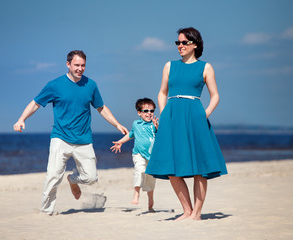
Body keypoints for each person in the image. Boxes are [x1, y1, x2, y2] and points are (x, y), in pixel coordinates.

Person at [13, 50, 128, 215]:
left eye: (83, 65)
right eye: (76, 65)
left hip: (84, 140)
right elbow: (35, 103)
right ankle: (46, 211)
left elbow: (101, 108)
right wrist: (21, 119)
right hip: (60, 138)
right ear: (68, 64)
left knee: (91, 177)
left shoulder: (91, 85)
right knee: (53, 176)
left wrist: (117, 124)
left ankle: (72, 179)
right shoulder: (54, 85)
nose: (80, 68)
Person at [145, 27, 228, 221]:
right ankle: (187, 210)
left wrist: (203, 114)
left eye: (184, 42)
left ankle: (196, 214)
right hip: (171, 116)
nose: (180, 46)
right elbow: (162, 92)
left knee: (200, 168)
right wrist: (164, 114)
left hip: (195, 115)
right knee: (171, 166)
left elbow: (215, 96)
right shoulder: (169, 66)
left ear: (195, 44)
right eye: (178, 43)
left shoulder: (205, 67)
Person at [110, 98, 159, 212]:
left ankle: (150, 200)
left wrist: (157, 127)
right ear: (139, 113)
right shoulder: (136, 124)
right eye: (146, 111)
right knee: (140, 170)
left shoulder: (154, 124)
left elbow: (161, 136)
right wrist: (120, 142)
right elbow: (130, 135)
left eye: (151, 111)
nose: (149, 113)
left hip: (152, 157)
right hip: (138, 154)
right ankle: (136, 194)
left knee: (150, 179)